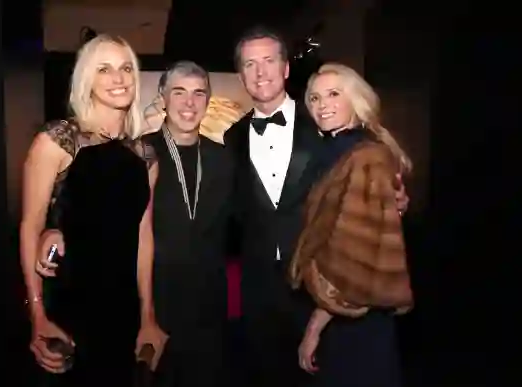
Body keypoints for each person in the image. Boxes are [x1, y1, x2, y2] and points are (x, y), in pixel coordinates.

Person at [223, 26, 410, 387]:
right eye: (249, 64)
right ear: (241, 74)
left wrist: (395, 200)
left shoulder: (324, 124)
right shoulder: (232, 138)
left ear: (286, 68)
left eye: (268, 61)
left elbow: (364, 184)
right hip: (258, 293)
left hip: (320, 290)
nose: (260, 72)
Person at [37, 61, 235, 387]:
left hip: (208, 309)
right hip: (146, 304)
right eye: (179, 92)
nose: (189, 103)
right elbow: (91, 211)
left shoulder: (226, 158)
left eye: (199, 93)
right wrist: (54, 227)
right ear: (162, 97)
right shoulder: (139, 154)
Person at [21, 34, 167, 387]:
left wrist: (147, 315)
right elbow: (29, 227)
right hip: (69, 307)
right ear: (87, 78)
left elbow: (142, 236)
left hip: (122, 311)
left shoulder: (144, 155)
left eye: (126, 68)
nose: (118, 78)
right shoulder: (57, 140)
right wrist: (36, 313)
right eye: (105, 69)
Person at [289, 63, 413, 387]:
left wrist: (315, 327)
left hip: (352, 317)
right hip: (342, 313)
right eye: (314, 97)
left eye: (333, 94)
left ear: (356, 100)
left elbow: (354, 264)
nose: (322, 104)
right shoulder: (335, 151)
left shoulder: (365, 157)